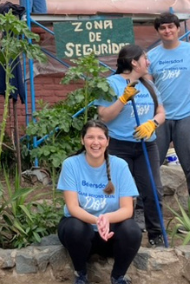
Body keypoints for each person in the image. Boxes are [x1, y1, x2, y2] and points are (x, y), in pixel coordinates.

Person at [147, 12, 190, 232]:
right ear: (158, 32)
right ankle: (149, 217)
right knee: (150, 167)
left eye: (171, 27)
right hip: (160, 118)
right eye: (162, 28)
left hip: (188, 116)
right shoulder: (152, 56)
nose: (167, 31)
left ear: (178, 28)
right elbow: (147, 86)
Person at [96, 44, 166, 247]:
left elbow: (161, 113)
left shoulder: (149, 85)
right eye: (146, 58)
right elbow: (104, 117)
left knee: (153, 190)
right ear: (134, 62)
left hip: (146, 145)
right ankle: (118, 235)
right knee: (118, 193)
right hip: (119, 146)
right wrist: (123, 99)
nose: (149, 62)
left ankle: (156, 234)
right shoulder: (111, 84)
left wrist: (152, 123)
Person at [57, 120, 141, 284]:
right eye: (90, 137)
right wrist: (97, 221)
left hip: (110, 234)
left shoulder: (120, 166)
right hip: (81, 233)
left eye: (100, 138)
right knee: (75, 227)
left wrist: (106, 219)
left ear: (107, 141)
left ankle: (118, 277)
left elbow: (127, 210)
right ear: (82, 140)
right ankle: (81, 275)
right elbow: (73, 207)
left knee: (132, 230)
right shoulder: (71, 164)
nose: (96, 142)